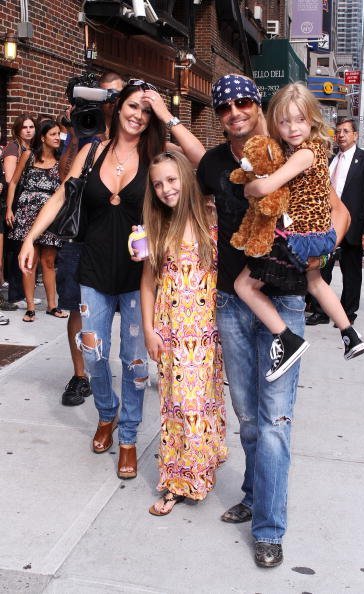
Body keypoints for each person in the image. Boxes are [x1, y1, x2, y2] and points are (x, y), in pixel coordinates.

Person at [196, 73, 350, 568]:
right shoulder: (217, 162)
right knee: (247, 419)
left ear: (258, 105)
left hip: (281, 301)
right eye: (225, 106)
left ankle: (269, 527)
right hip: (230, 301)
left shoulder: (289, 153)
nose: (235, 111)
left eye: (244, 101)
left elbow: (339, 212)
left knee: (275, 422)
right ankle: (253, 492)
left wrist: (318, 256)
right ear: (218, 117)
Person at [19, 80, 205, 479]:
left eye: (145, 110)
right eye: (132, 107)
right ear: (117, 108)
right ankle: (107, 413)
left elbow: (202, 162)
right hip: (94, 269)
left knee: (135, 362)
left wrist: (168, 115)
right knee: (93, 354)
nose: (138, 115)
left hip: (141, 277)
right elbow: (59, 198)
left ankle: (129, 437)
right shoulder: (92, 151)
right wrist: (31, 237)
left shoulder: (159, 154)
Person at [233, 83, 364, 382]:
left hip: (297, 238)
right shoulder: (316, 150)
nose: (292, 128)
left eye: (300, 119)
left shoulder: (304, 155)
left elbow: (266, 187)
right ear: (275, 123)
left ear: (312, 120)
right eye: (284, 121)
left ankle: (286, 339)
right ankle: (349, 334)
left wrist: (249, 188)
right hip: (316, 235)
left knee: (244, 286)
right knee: (316, 283)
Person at [140, 151, 227, 515]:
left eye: (172, 180)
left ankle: (201, 468)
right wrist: (148, 330)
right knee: (177, 408)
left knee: (203, 406)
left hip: (207, 334)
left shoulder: (213, 219)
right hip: (172, 334)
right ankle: (178, 482)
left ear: (187, 179)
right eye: (158, 184)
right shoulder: (156, 228)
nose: (165, 189)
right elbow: (147, 284)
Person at [56, 72, 126, 407]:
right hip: (81, 234)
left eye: (118, 95)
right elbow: (64, 179)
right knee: (77, 307)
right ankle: (81, 375)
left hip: (123, 234)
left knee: (137, 309)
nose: (112, 102)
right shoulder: (84, 126)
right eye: (107, 95)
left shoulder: (134, 129)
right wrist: (76, 130)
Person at [306, 117, 364, 326]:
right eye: (338, 132)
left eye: (345, 131)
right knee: (322, 270)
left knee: (351, 273)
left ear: (355, 135)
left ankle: (347, 313)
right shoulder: (330, 159)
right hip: (326, 226)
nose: (341, 135)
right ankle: (321, 311)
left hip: (353, 227)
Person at [6, 119, 67, 322]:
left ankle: (52, 305)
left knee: (48, 261)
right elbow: (14, 181)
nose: (58, 137)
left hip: (50, 215)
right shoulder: (28, 155)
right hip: (26, 212)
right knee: (29, 261)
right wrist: (9, 208)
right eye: (53, 134)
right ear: (43, 137)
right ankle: (30, 307)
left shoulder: (62, 160)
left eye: (59, 134)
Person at [1, 114, 39, 310]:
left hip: (25, 202)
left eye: (31, 126)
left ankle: (25, 292)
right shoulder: (13, 148)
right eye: (24, 127)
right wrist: (11, 208)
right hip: (13, 202)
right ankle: (16, 295)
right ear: (17, 129)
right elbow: (10, 180)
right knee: (15, 248)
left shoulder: (30, 149)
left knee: (25, 246)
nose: (28, 130)